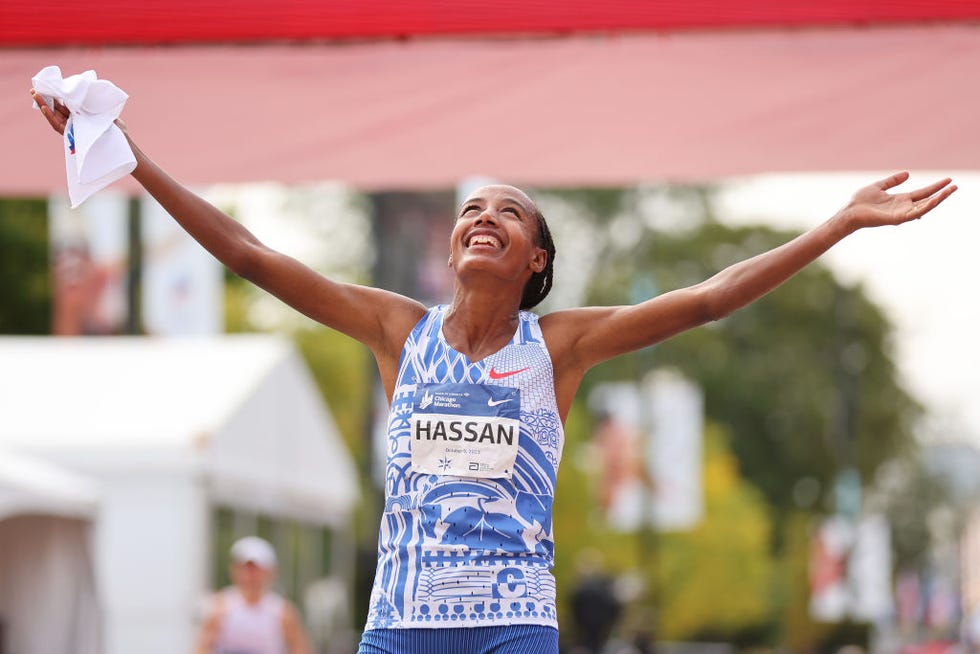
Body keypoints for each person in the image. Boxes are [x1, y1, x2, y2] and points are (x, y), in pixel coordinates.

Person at [32, 89, 956, 654]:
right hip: (396, 628)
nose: (482, 216)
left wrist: (838, 222)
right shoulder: (398, 331)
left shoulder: (556, 348)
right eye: (471, 208)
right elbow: (248, 250)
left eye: (508, 214)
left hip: (512, 628)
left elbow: (709, 298)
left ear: (535, 261)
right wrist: (127, 154)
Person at [193, 536, 312, 654]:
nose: (250, 575)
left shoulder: (283, 612)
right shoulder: (220, 606)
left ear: (271, 571)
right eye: (245, 568)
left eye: (256, 569)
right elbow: (202, 648)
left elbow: (300, 649)